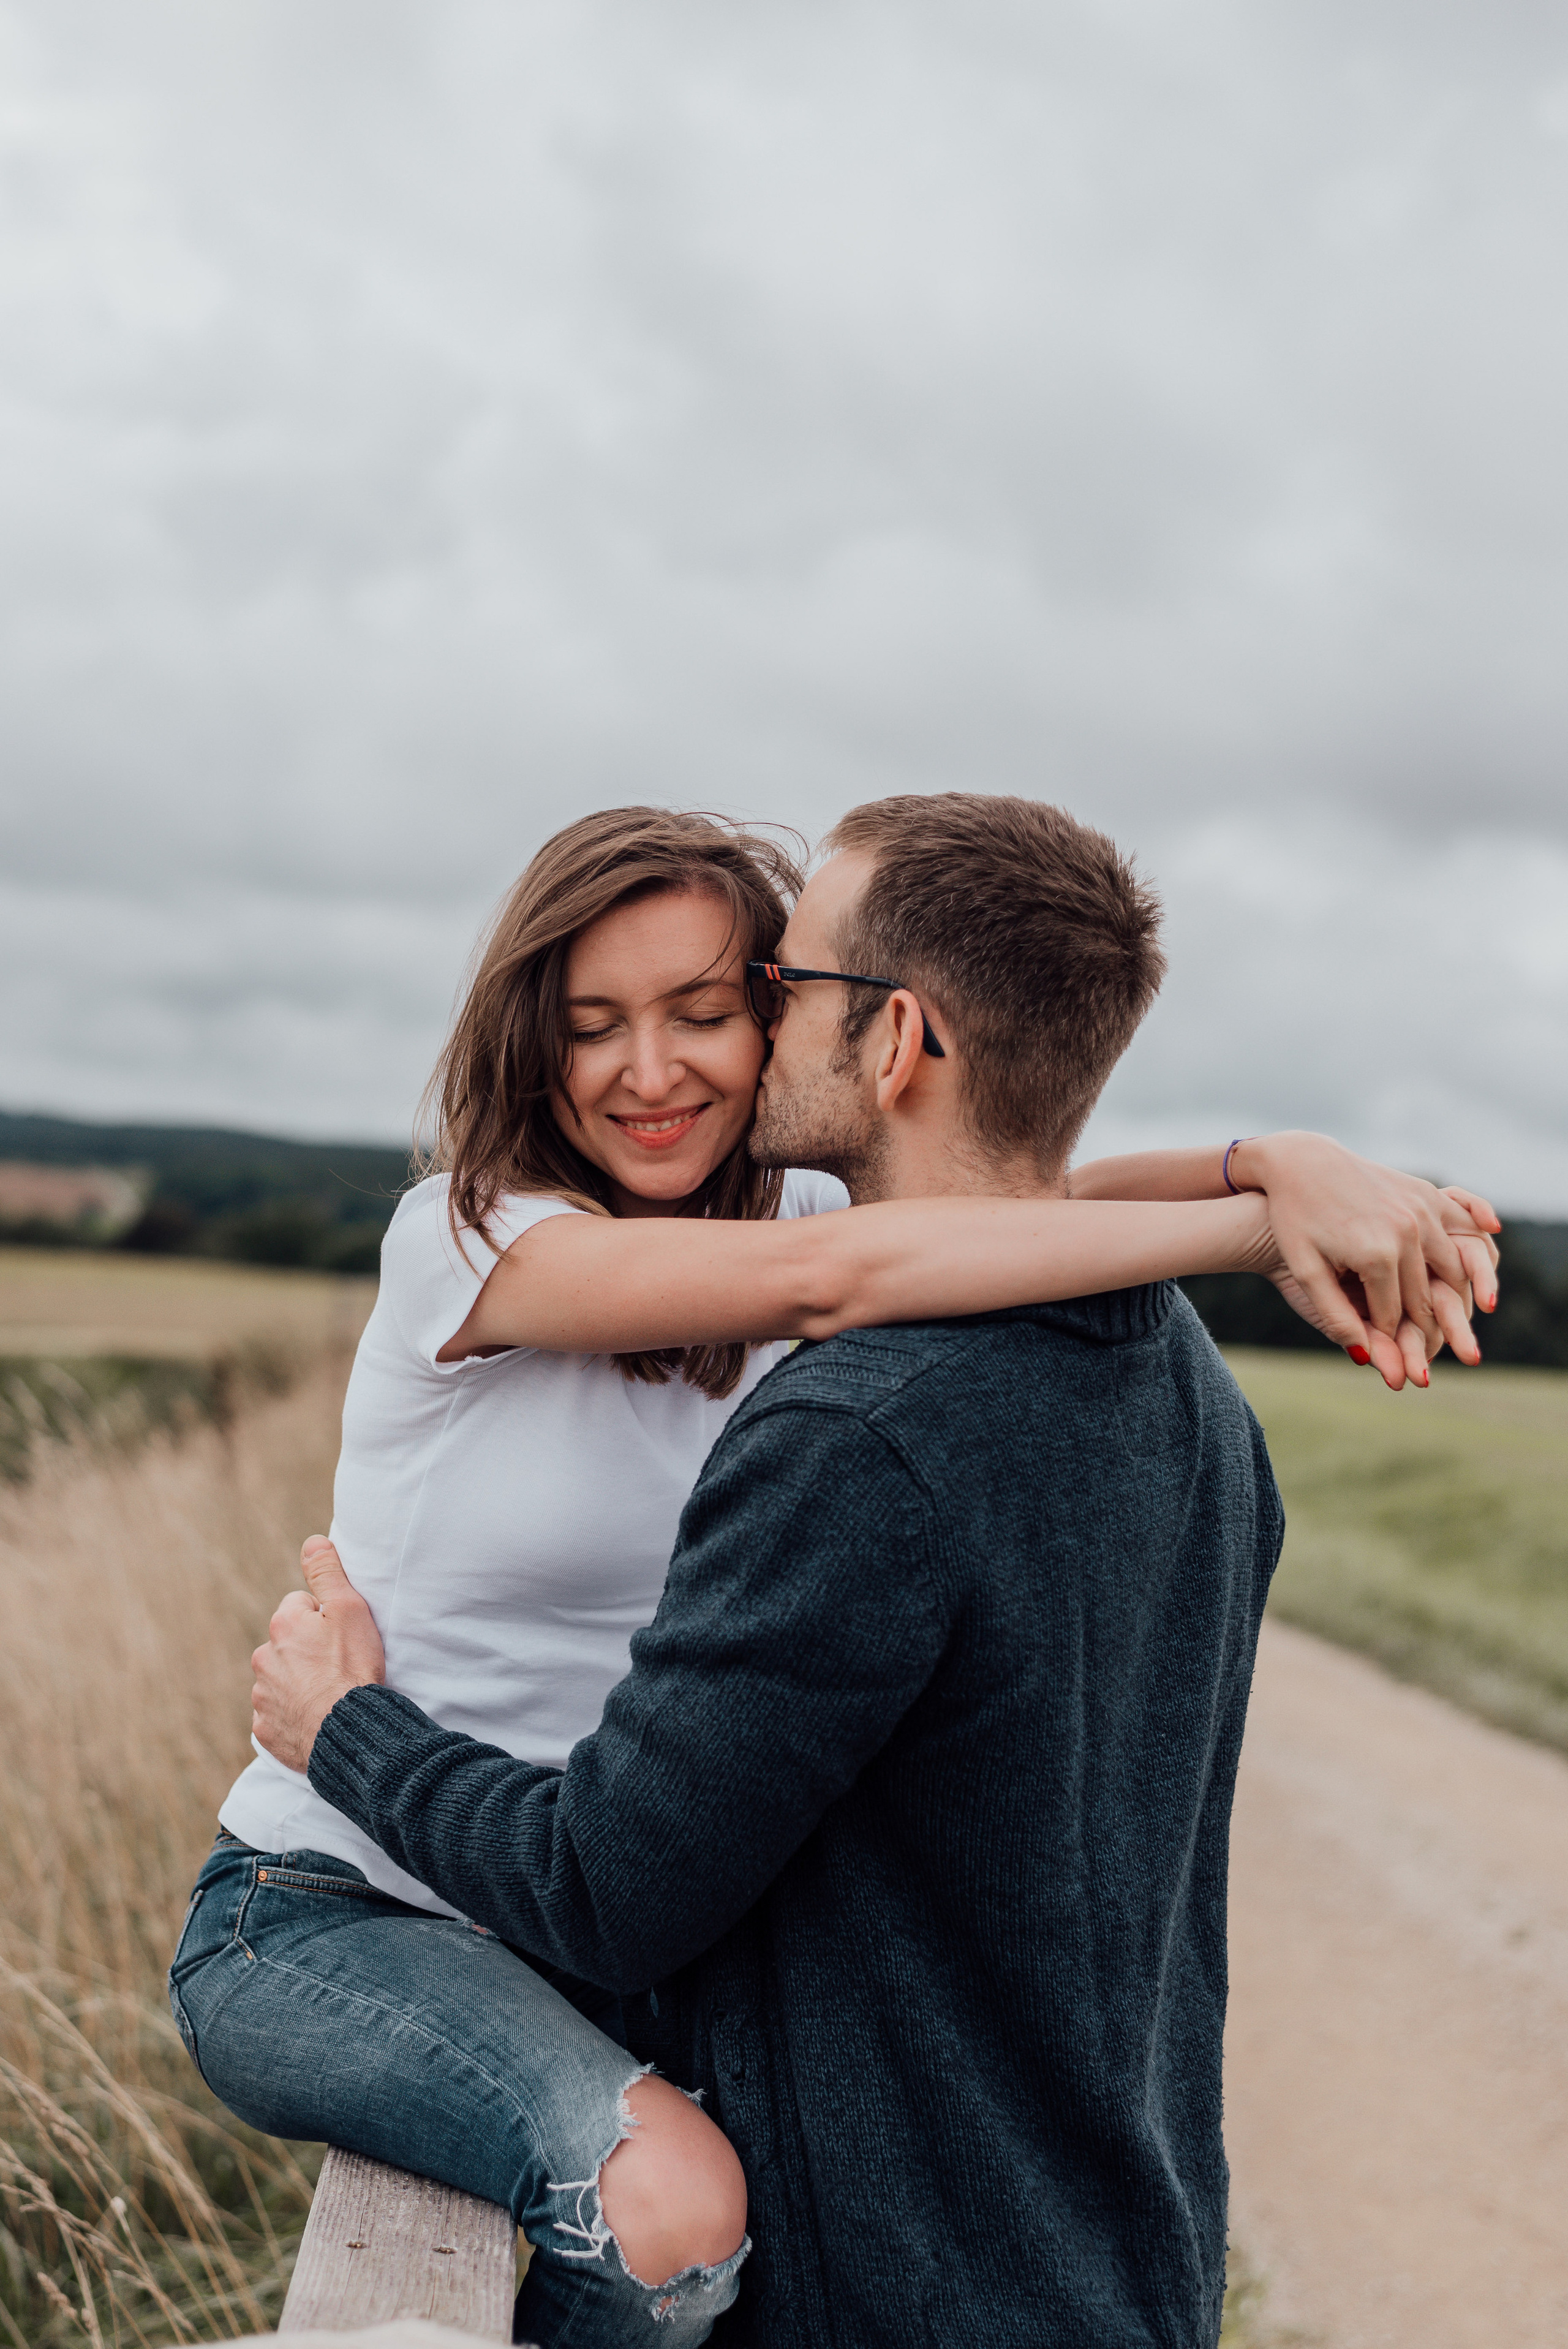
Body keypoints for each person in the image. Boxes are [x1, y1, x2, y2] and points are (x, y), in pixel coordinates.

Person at [237, 795, 1498, 2349]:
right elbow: (869, 1264)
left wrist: (1272, 1164)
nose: (677, 1063)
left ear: (889, 1039)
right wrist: (1252, 1220)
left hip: (591, 1945)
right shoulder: (480, 1237)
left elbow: (990, 1223)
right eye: (594, 1024)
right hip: (356, 1891)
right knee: (664, 2206)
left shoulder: (843, 1357)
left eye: (746, 1000)